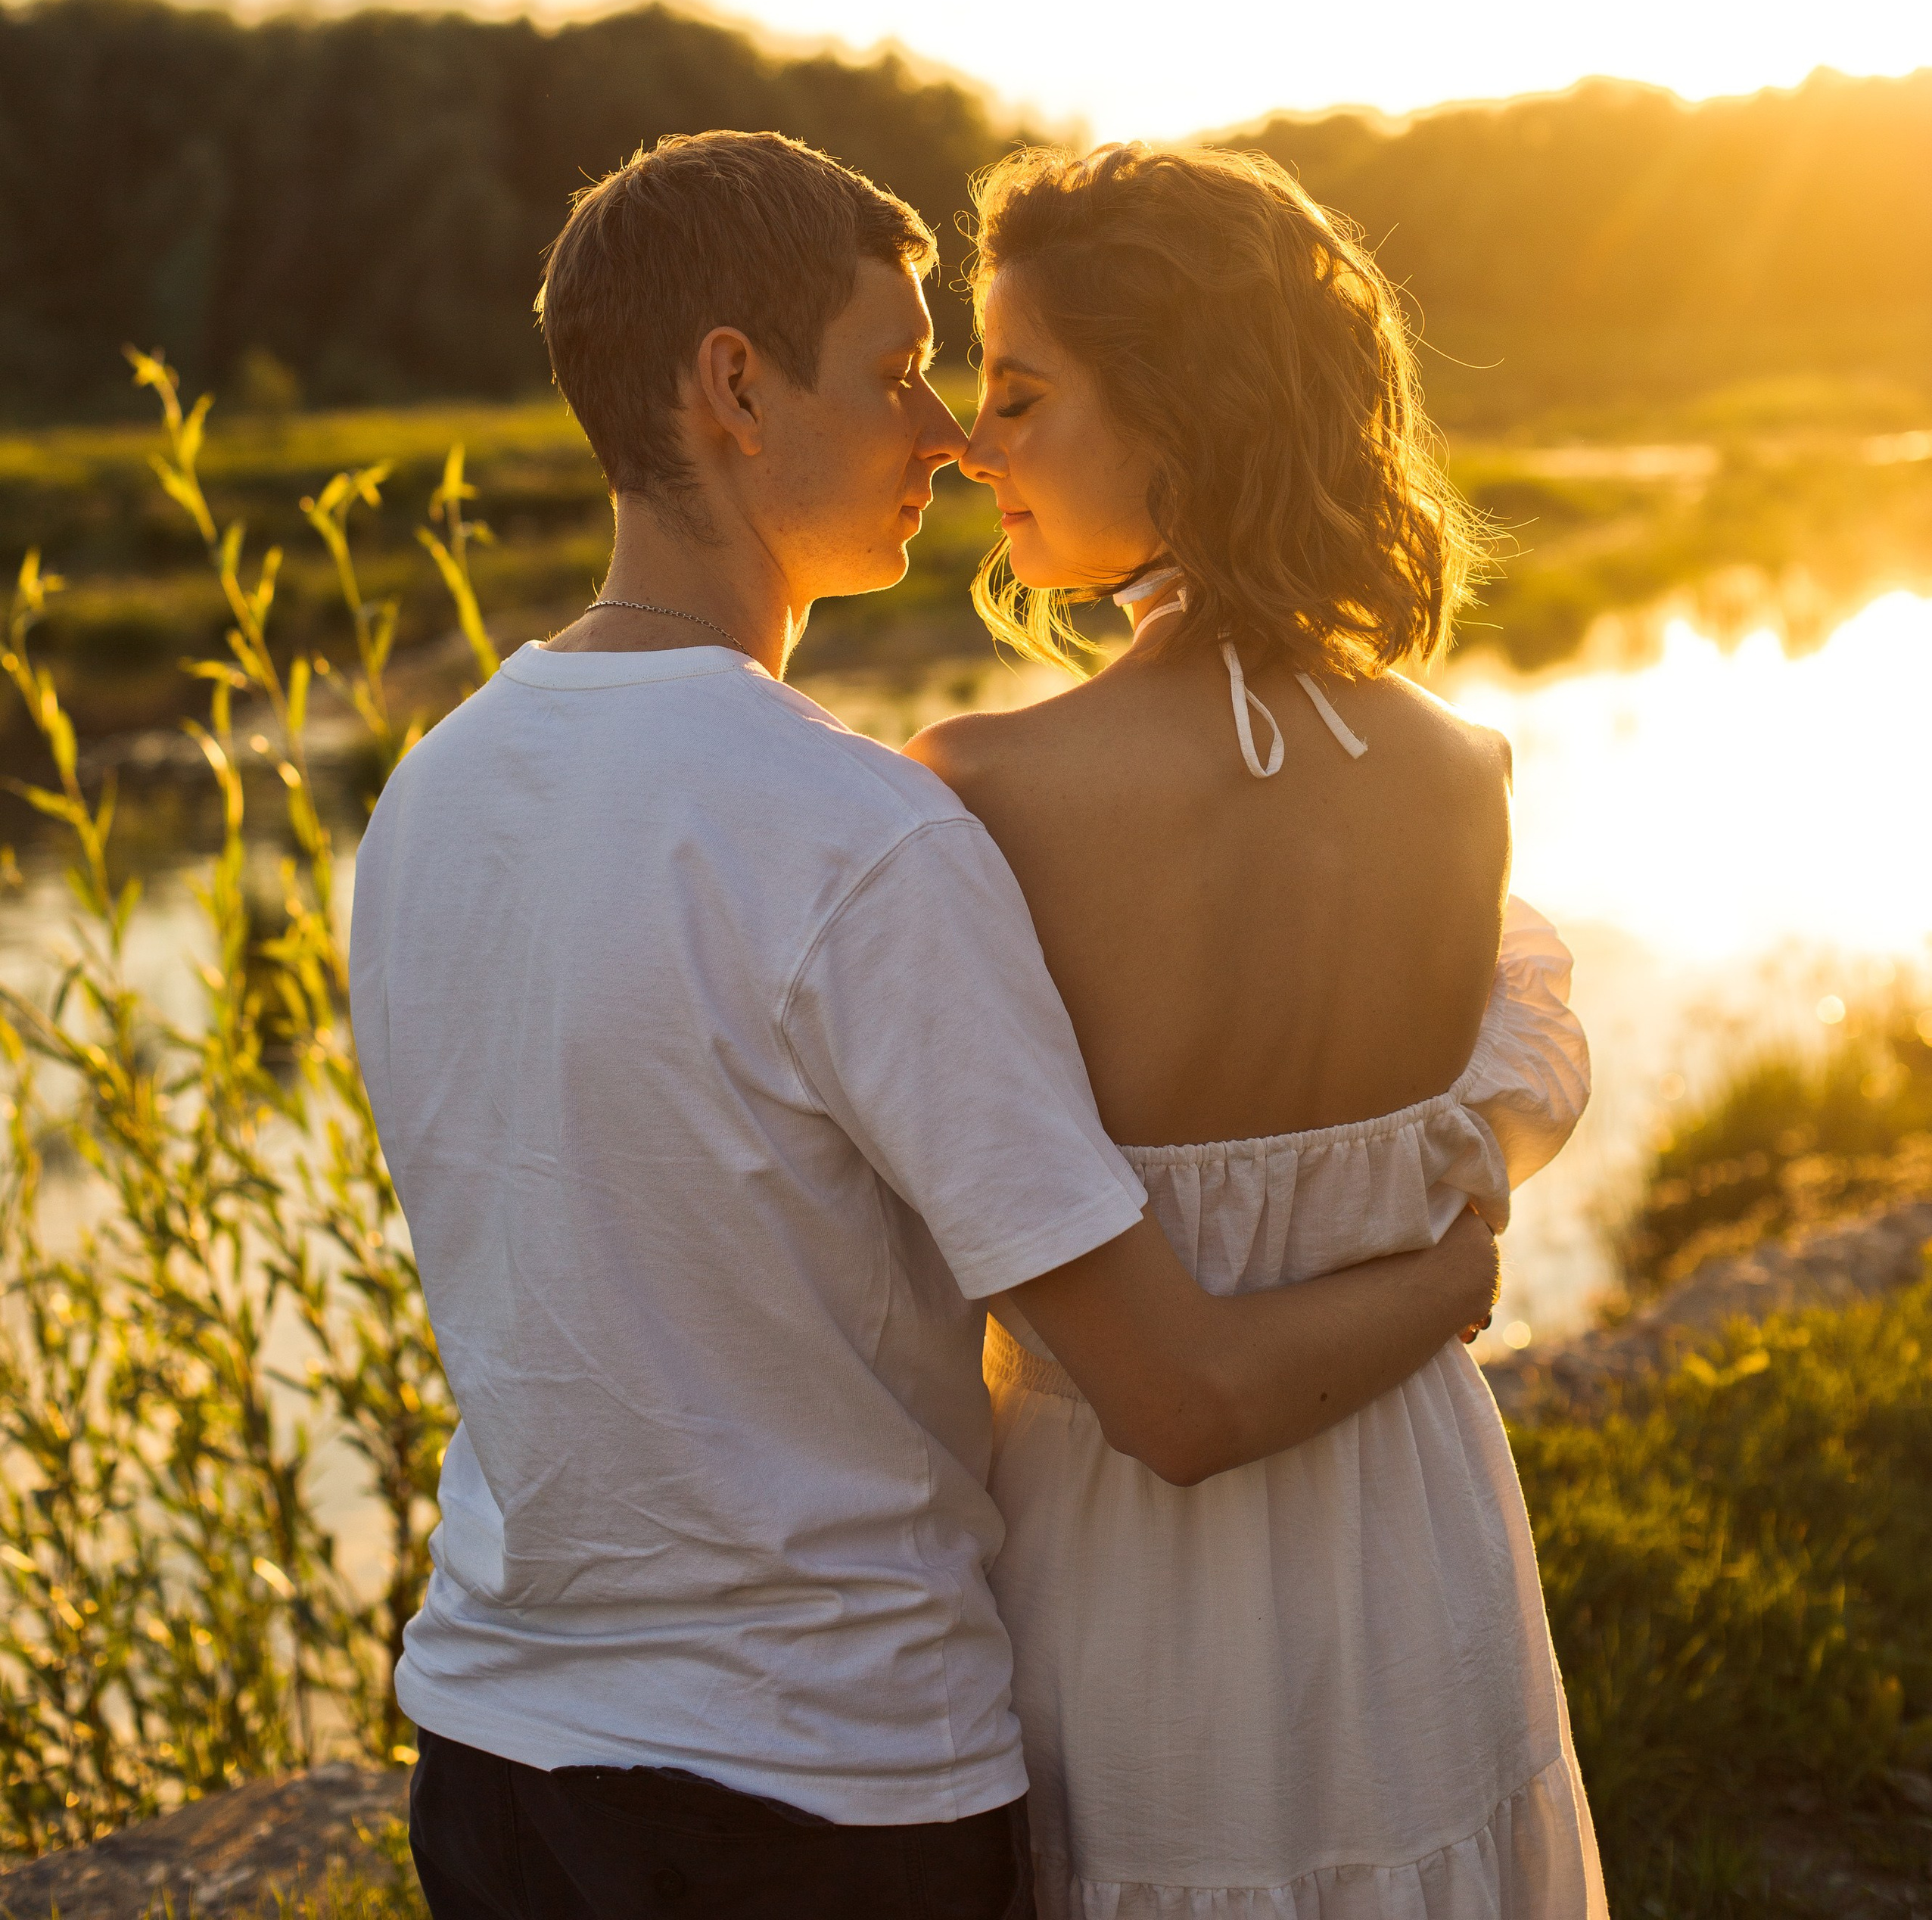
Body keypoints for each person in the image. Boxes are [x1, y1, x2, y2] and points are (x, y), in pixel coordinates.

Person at [348, 129, 1501, 1920]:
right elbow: (1171, 1388)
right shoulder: (866, 833)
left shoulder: (428, 797)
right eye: (895, 375)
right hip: (823, 1785)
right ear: (733, 386)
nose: (945, 435)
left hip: (496, 1754)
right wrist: (1448, 1273)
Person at [907, 140, 1606, 1920]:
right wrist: (1453, 1274)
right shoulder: (1464, 773)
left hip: (1133, 1590)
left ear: (1179, 413)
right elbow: (1490, 1107)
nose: (974, 445)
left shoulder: (983, 789)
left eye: (1017, 393)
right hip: (1416, 1524)